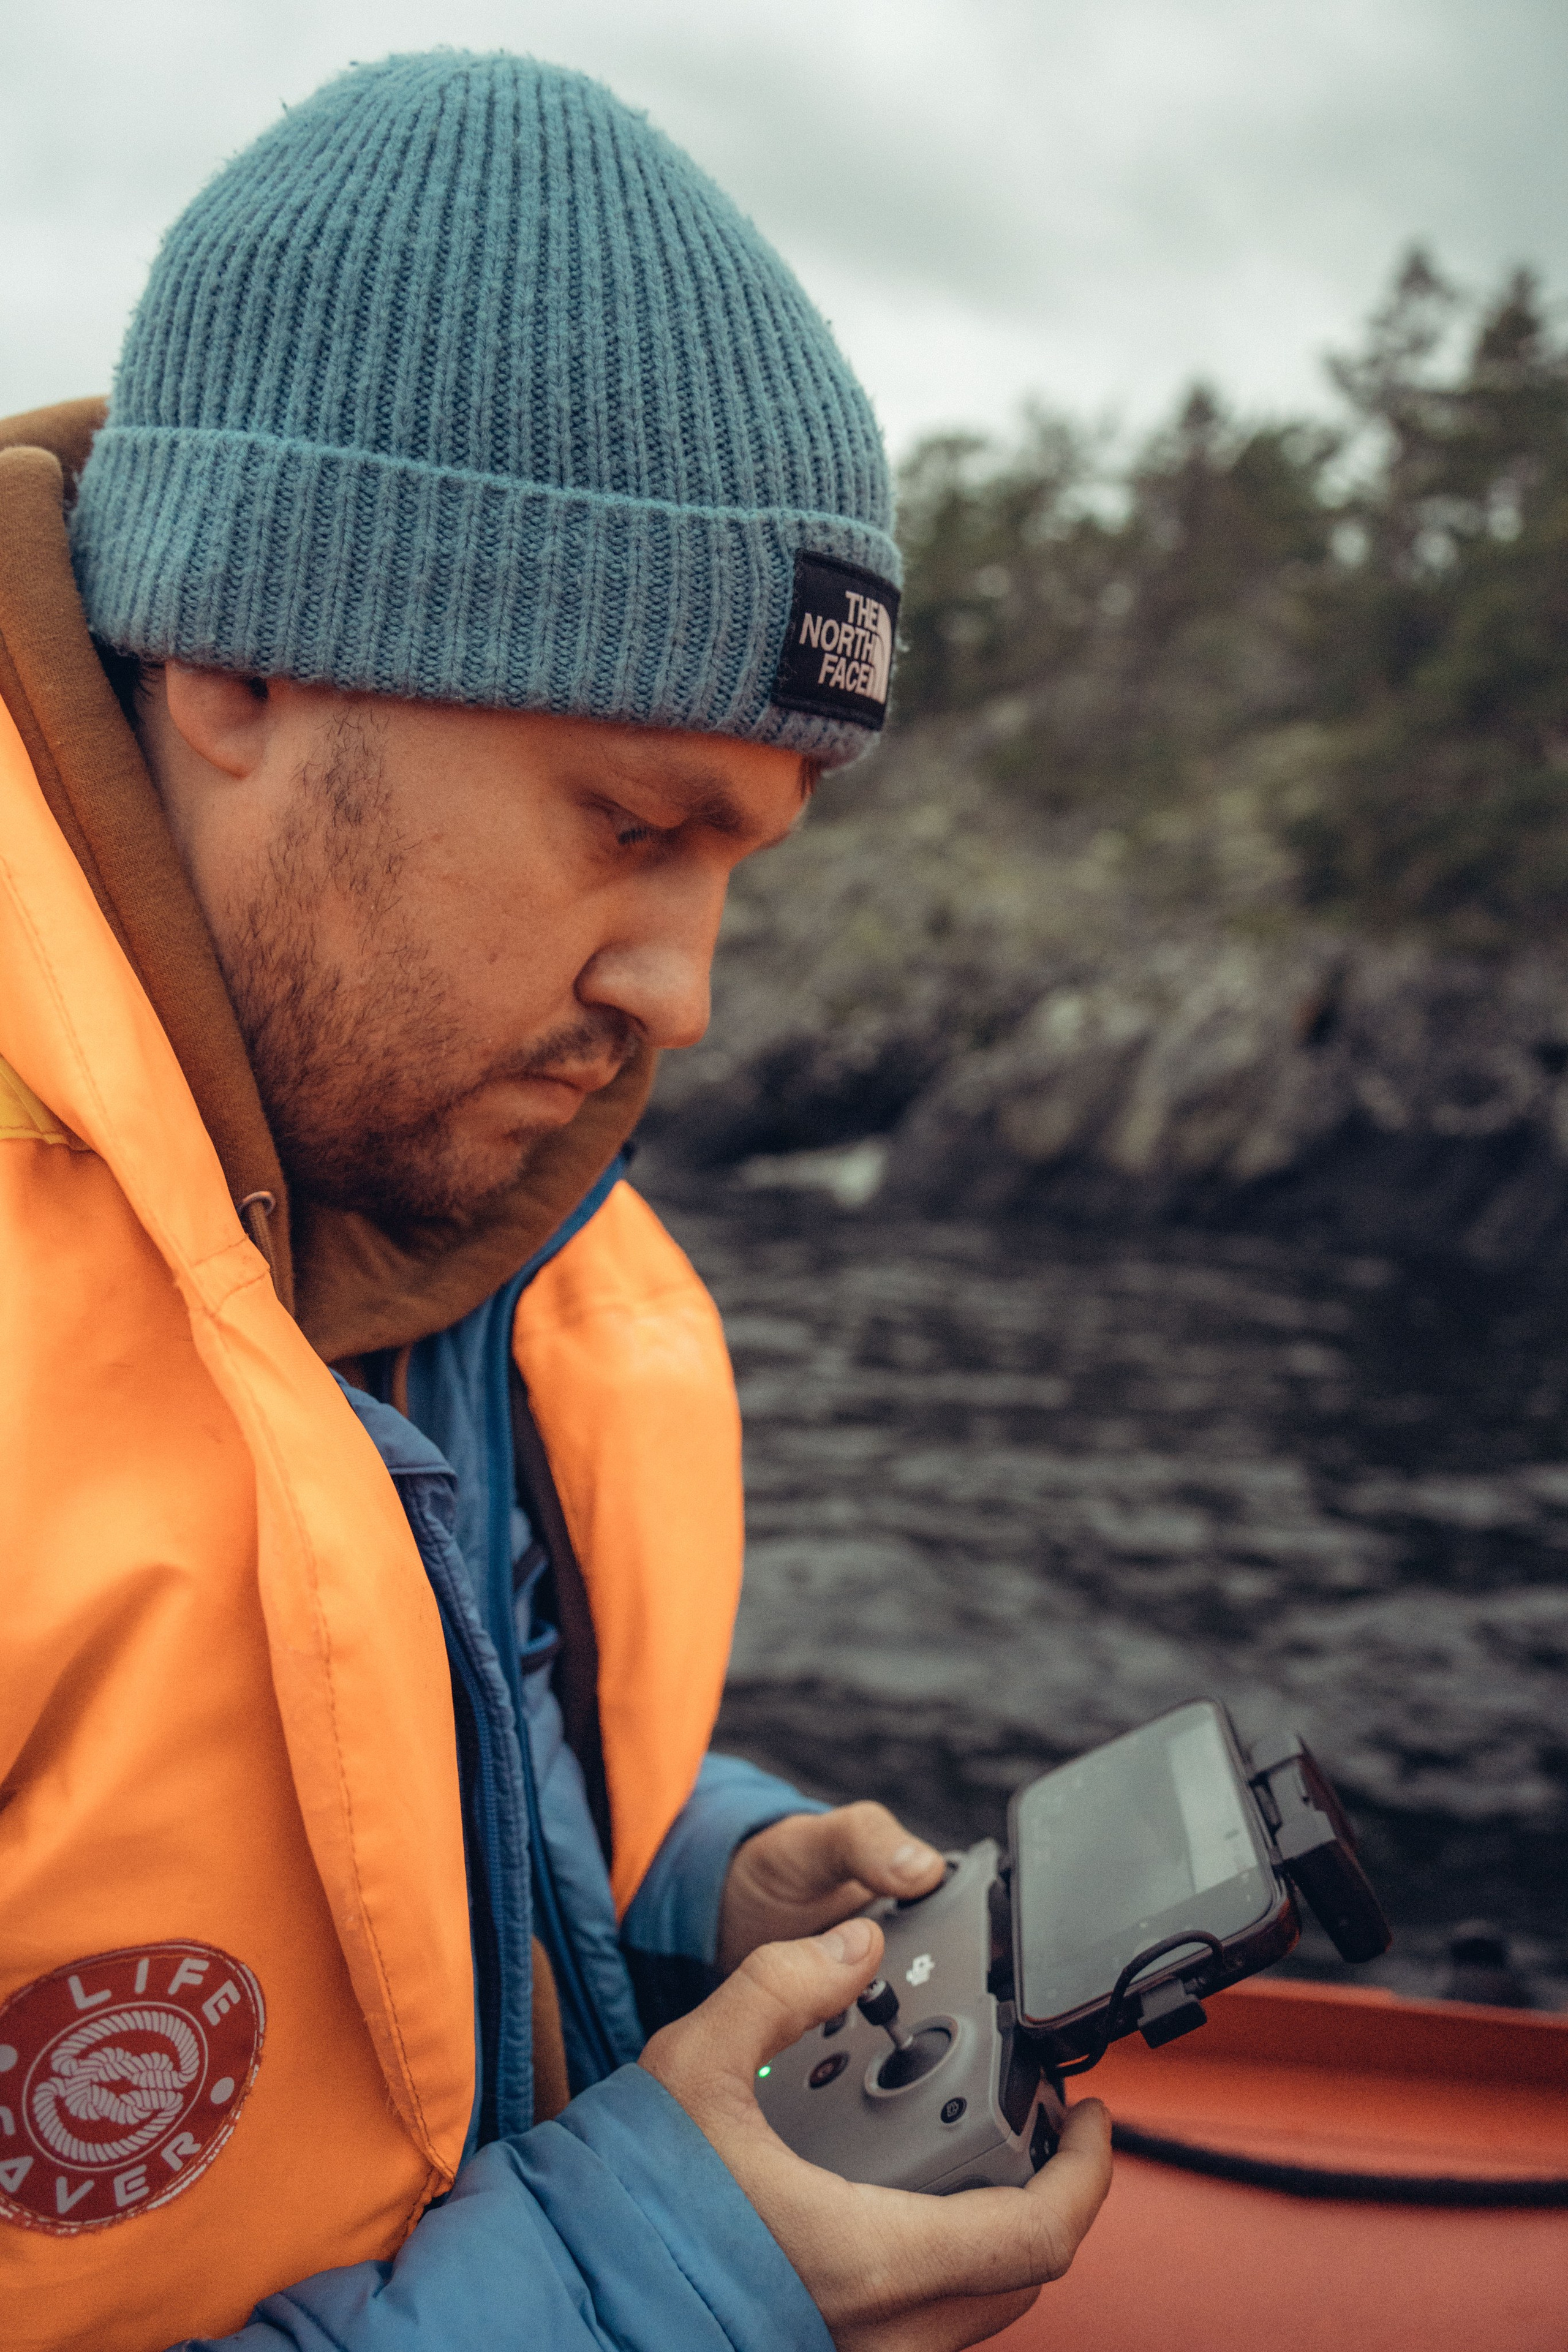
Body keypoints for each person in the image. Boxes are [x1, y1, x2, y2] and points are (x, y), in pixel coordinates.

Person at [0, 51, 1109, 2352]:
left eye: (743, 863)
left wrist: (684, 1871)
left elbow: (366, 1686)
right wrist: (655, 2287)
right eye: (630, 824)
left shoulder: (425, 1180)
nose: (687, 998)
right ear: (242, 663)